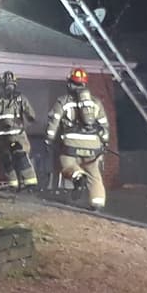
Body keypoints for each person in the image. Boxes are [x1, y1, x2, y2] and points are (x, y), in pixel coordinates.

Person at [45, 68, 110, 210]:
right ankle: (97, 203)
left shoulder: (63, 101)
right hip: (94, 146)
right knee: (94, 173)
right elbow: (104, 126)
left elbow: (54, 122)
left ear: (70, 84)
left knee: (67, 165)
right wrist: (104, 142)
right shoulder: (96, 103)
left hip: (71, 145)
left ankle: (78, 177)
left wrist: (49, 140)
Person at [0, 71, 39, 191]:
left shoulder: (13, 99)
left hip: (9, 137)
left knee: (15, 158)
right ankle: (19, 184)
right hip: (9, 137)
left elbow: (31, 115)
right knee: (13, 159)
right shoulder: (1, 100)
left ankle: (24, 183)